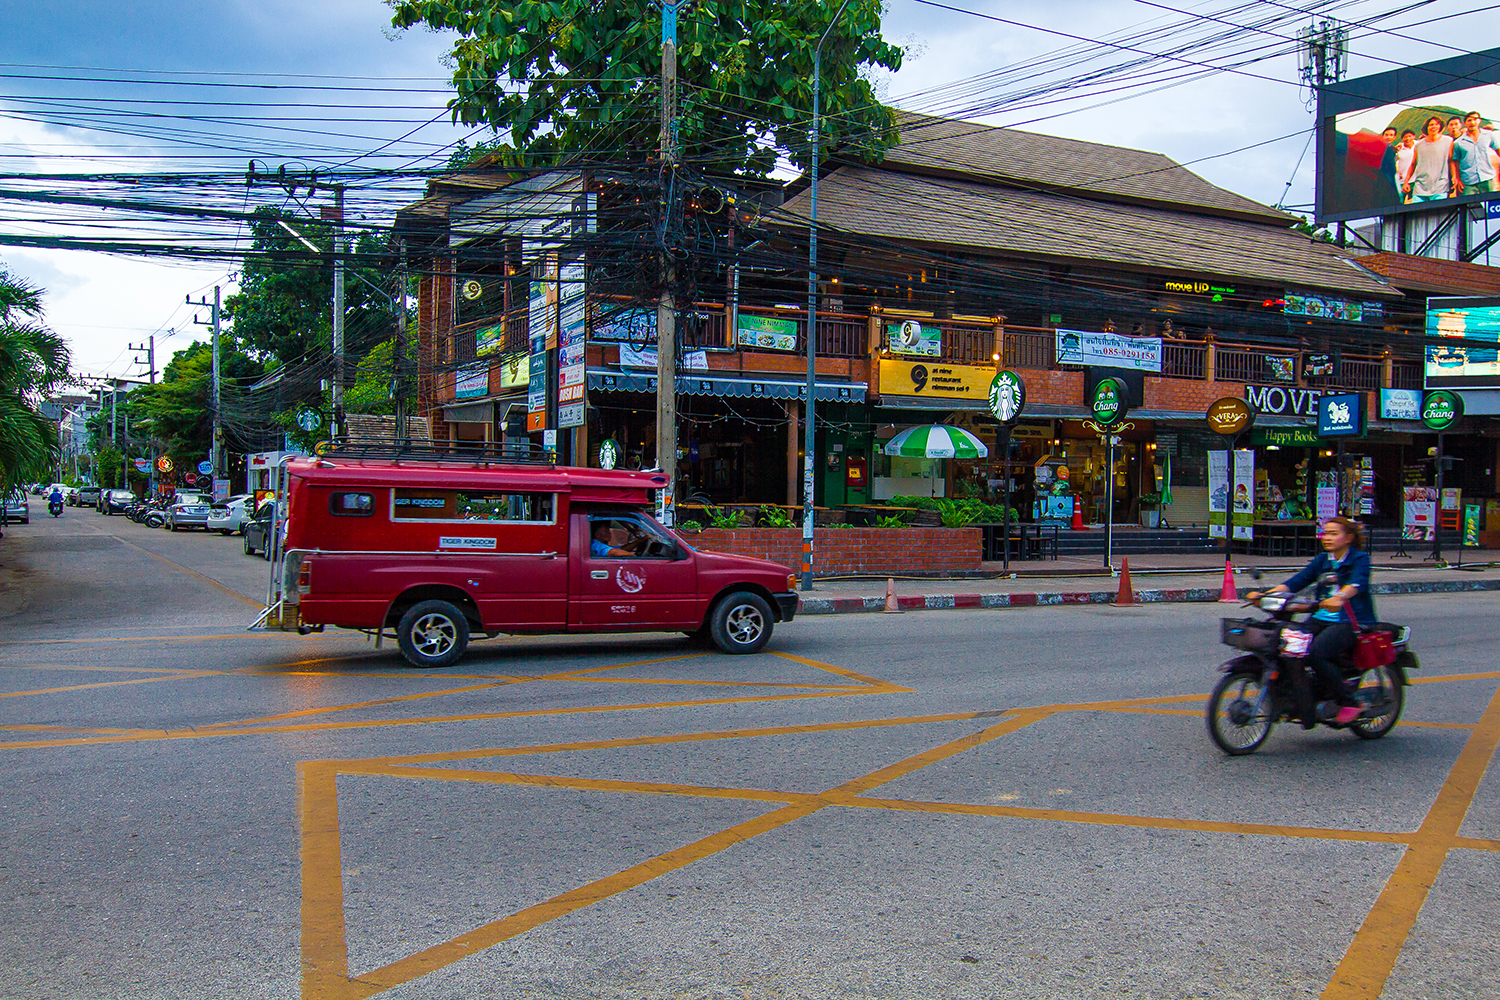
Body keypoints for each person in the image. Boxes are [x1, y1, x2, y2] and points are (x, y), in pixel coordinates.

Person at [1245, 516, 1374, 725]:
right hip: (1320, 617)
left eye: (1334, 533)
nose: (1328, 537)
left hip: (1351, 621)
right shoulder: (1323, 560)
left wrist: (1340, 597)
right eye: (1326, 533)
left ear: (1349, 537)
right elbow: (1295, 583)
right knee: (1289, 647)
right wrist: (1264, 596)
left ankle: (1349, 702)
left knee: (1316, 654)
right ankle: (1303, 700)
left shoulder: (1359, 559)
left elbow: (1357, 584)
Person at [1403, 116, 1455, 202]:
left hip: (1440, 186)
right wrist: (1406, 182)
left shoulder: (1448, 141)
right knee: (1419, 213)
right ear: (1427, 127)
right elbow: (1413, 164)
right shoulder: (1419, 145)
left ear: (1440, 127)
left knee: (1440, 213)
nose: (1433, 126)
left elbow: (1451, 161)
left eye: (1436, 124)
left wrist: (1454, 177)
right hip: (1420, 187)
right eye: (1431, 125)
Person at [1452, 111, 1500, 196]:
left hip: (1488, 178)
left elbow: (1498, 150)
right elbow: (1456, 162)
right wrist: (1458, 179)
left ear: (1479, 121)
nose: (1472, 123)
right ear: (1465, 123)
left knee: (1491, 206)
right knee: (1469, 207)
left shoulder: (1488, 135)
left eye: (1475, 119)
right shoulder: (1458, 143)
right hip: (1468, 182)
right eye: (1469, 120)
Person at [1393, 130, 1417, 203]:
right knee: (1400, 201)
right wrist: (1397, 171)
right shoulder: (1399, 149)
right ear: (1402, 139)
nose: (1408, 139)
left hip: (1416, 179)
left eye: (1410, 136)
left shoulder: (1418, 145)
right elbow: (1393, 162)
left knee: (1415, 202)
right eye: (1405, 137)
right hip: (1402, 180)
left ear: (1414, 136)